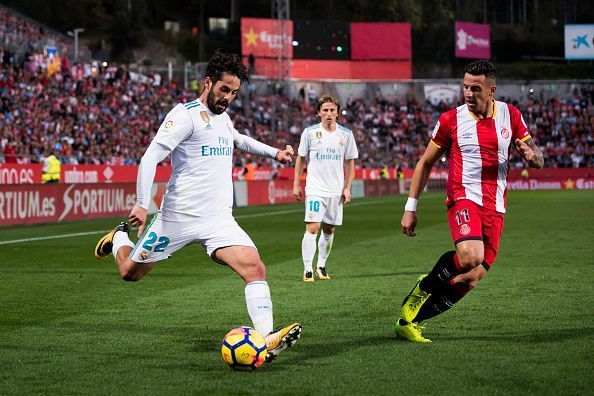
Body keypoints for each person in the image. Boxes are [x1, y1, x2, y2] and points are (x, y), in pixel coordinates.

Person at [94, 50, 301, 362]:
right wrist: (141, 204)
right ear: (208, 82)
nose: (228, 97)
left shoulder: (223, 118)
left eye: (233, 92)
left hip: (218, 219)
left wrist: (275, 153)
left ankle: (266, 337)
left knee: (255, 268)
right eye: (224, 90)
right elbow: (151, 157)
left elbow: (238, 139)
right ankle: (119, 239)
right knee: (129, 273)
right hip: (176, 218)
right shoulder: (184, 115)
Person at [396, 60, 544, 343]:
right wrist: (410, 208)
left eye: (475, 88)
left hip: (495, 206)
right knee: (470, 256)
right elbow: (425, 163)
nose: (467, 93)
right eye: (464, 86)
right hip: (463, 197)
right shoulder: (451, 120)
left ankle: (409, 322)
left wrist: (532, 156)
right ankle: (423, 288)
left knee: (473, 277)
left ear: (492, 90)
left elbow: (537, 155)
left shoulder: (510, 115)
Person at [293, 94, 359, 282]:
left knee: (329, 229)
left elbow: (350, 162)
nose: (329, 114)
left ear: (337, 113)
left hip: (336, 191)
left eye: (332, 110)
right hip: (315, 189)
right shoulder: (310, 132)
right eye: (325, 110)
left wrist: (347, 188)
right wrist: (296, 183)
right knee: (312, 227)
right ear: (318, 113)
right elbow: (300, 158)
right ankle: (307, 269)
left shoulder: (346, 134)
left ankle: (321, 265)